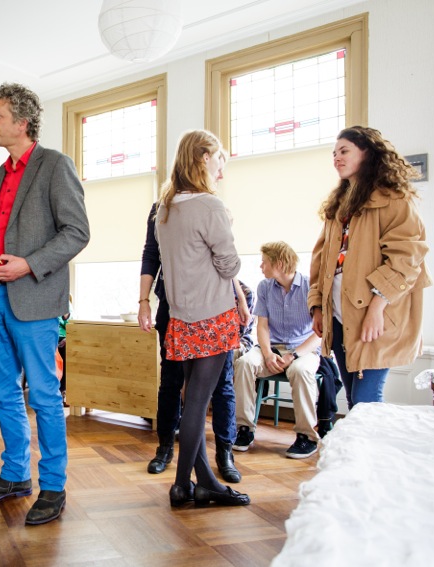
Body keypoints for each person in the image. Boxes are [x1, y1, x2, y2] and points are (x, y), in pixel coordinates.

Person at [0, 83, 90, 525]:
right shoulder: (0, 174)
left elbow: (77, 232)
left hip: (34, 296)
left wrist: (29, 265)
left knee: (45, 396)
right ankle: (15, 474)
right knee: (1, 391)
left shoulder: (55, 165)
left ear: (22, 122)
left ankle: (53, 486)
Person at [154, 129, 249, 508]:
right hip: (212, 315)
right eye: (219, 160)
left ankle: (205, 481)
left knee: (190, 397)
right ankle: (181, 484)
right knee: (196, 403)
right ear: (204, 157)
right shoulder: (210, 206)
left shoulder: (165, 208)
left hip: (180, 318)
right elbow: (229, 265)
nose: (221, 170)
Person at [308, 126, 430, 408]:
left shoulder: (394, 200)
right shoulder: (338, 207)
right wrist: (318, 306)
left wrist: (377, 308)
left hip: (375, 315)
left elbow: (406, 258)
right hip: (339, 317)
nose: (336, 158)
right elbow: (321, 260)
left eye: (344, 151)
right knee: (355, 399)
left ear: (367, 153)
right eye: (334, 153)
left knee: (365, 401)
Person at [137, 187, 253, 483]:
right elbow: (151, 255)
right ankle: (165, 447)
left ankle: (224, 452)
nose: (220, 173)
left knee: (222, 384)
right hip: (173, 305)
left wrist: (240, 297)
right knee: (171, 381)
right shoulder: (161, 209)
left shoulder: (210, 206)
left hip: (213, 305)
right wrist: (143, 301)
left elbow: (221, 262)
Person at [233, 241, 322, 458]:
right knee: (244, 363)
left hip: (303, 350)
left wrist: (294, 355)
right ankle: (244, 429)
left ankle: (307, 437)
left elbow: (320, 333)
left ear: (279, 264)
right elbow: (262, 326)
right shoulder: (264, 287)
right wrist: (267, 354)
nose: (261, 266)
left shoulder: (311, 287)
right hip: (271, 347)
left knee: (300, 370)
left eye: (264, 262)